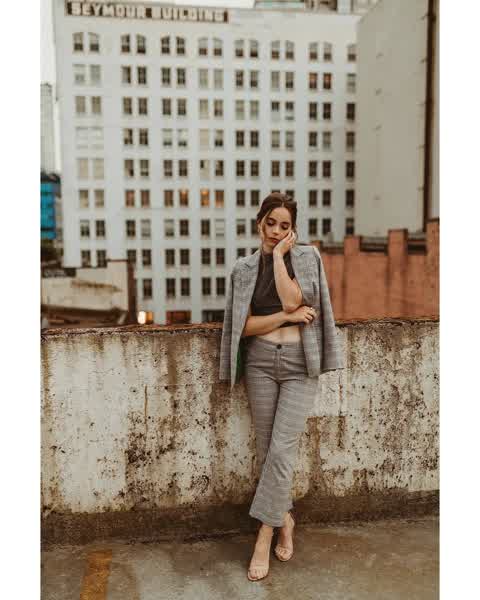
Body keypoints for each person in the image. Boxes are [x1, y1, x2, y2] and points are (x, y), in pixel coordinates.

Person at [218, 193, 345, 582]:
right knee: (266, 450)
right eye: (270, 223)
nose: (276, 231)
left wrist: (277, 259)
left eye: (284, 225)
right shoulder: (242, 270)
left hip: (298, 365)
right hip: (259, 363)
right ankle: (285, 518)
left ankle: (265, 534)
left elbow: (295, 299)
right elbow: (243, 327)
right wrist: (283, 319)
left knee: (282, 448)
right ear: (259, 222)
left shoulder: (307, 258)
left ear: (293, 229)